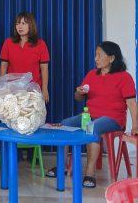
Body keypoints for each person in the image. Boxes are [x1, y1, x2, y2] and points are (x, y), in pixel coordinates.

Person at [45, 41, 138, 188]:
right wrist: (79, 92)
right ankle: (61, 166)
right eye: (96, 55)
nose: (96, 58)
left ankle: (90, 173)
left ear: (112, 58)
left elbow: (132, 104)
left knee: (92, 127)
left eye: (99, 55)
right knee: (65, 124)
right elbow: (78, 98)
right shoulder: (91, 74)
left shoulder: (124, 77)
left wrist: (136, 126)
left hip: (113, 119)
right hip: (90, 115)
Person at [0, 12, 50, 102]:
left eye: (23, 23)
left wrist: (44, 89)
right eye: (17, 23)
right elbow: (3, 66)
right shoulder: (8, 43)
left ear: (31, 25)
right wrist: (3, 87)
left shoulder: (40, 44)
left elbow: (44, 69)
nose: (20, 26)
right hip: (12, 91)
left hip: (33, 92)